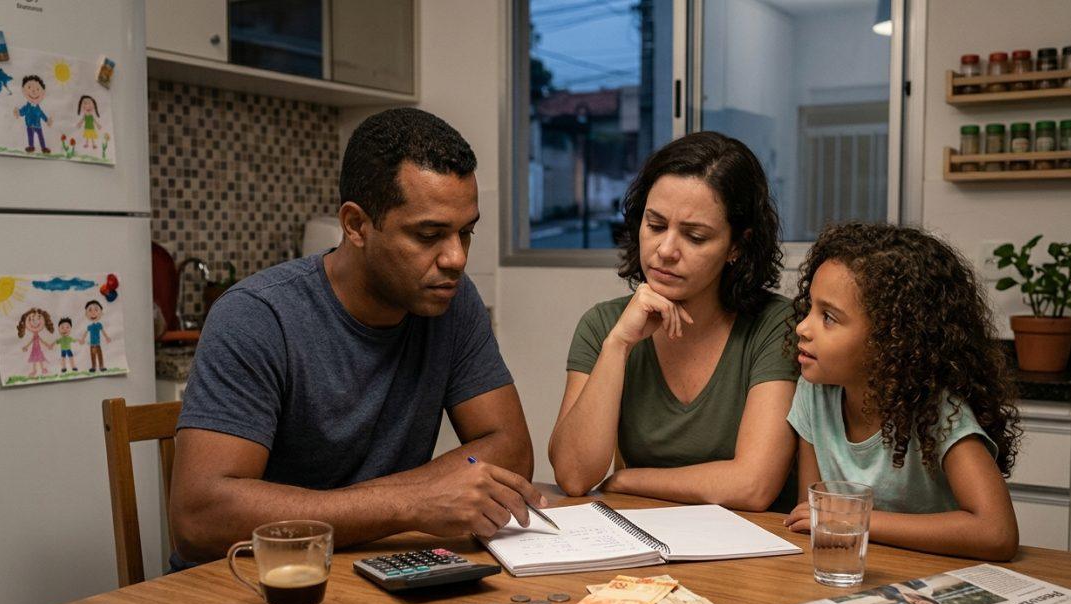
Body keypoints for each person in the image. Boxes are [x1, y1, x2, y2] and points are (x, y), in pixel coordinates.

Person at [170, 108, 543, 564]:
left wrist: (387, 507)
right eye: (429, 234)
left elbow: (511, 450)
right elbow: (199, 518)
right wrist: (410, 503)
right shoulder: (256, 316)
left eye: (466, 233)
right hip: (258, 588)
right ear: (355, 225)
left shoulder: (452, 301)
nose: (456, 259)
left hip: (374, 564)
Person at [549, 131, 799, 511]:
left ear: (736, 246)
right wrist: (618, 345)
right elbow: (574, 476)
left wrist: (627, 479)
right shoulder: (604, 324)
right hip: (649, 542)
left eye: (695, 237)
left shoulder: (773, 325)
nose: (665, 251)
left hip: (755, 552)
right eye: (655, 225)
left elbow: (752, 485)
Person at [782, 223, 1020, 561]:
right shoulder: (813, 392)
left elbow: (997, 533)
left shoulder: (938, 411)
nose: (802, 327)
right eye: (809, 308)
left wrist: (857, 520)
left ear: (891, 339)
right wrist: (837, 519)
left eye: (829, 317)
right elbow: (814, 514)